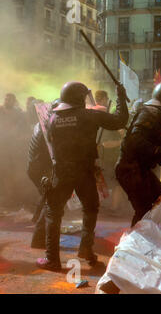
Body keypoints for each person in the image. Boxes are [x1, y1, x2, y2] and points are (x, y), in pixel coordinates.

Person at [36, 81, 129, 271]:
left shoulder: (52, 117)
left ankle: (51, 259)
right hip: (84, 171)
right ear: (80, 98)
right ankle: (86, 248)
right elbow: (120, 120)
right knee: (91, 208)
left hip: (60, 172)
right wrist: (120, 96)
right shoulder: (89, 115)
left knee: (54, 213)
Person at [116, 81, 161, 227]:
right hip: (131, 169)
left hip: (140, 169)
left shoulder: (159, 114)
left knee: (160, 201)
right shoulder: (150, 113)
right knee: (144, 210)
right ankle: (133, 244)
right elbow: (135, 140)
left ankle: (143, 240)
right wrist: (160, 150)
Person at [28, 100, 61, 248]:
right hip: (41, 169)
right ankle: (39, 239)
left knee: (47, 199)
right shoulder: (49, 126)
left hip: (36, 167)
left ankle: (38, 230)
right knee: (51, 202)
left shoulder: (42, 123)